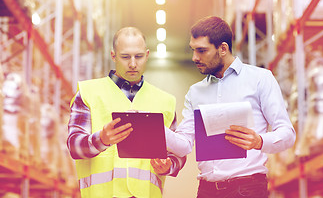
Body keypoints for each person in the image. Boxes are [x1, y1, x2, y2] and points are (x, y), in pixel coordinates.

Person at [165, 16, 296, 198]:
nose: (195, 57)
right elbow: (184, 145)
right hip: (206, 190)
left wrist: (259, 141)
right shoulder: (195, 92)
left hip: (247, 189)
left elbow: (288, 135)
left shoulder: (260, 79)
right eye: (193, 50)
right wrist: (157, 130)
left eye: (202, 51)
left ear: (223, 48)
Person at [67, 27, 185, 198]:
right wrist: (102, 139)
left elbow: (179, 152)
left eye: (138, 56)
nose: (132, 64)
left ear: (147, 54)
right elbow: (74, 146)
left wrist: (169, 166)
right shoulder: (88, 93)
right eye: (125, 57)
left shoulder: (165, 102)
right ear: (113, 56)